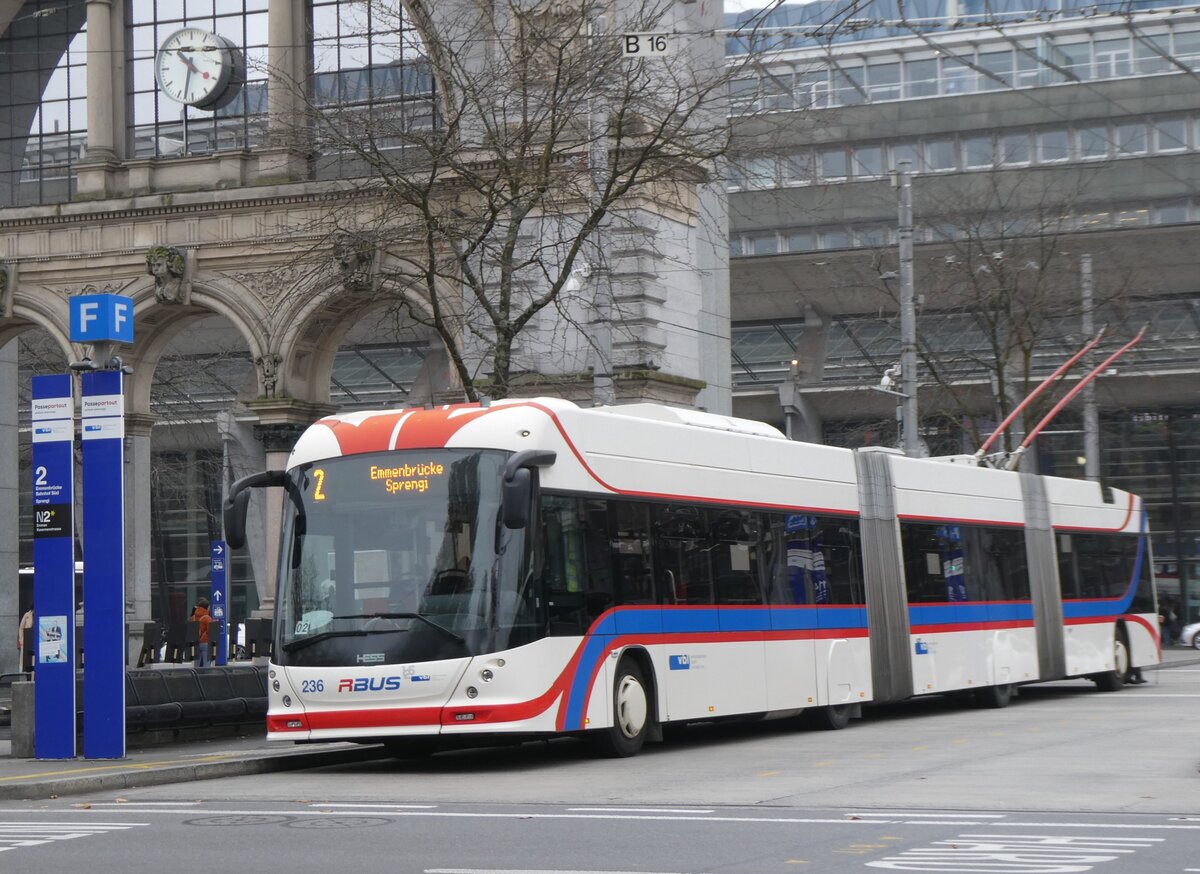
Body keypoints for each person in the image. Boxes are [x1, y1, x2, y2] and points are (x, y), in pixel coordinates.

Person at [191, 598, 213, 667]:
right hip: (205, 642)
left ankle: (195, 676)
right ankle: (206, 677)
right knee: (206, 662)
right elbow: (210, 630)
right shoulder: (207, 617)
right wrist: (204, 637)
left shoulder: (193, 617)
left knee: (196, 663)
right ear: (206, 607)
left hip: (196, 642)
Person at [16, 603, 33, 672]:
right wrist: (21, 639)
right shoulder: (27, 615)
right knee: (25, 659)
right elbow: (21, 628)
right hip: (27, 640)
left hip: (36, 639)